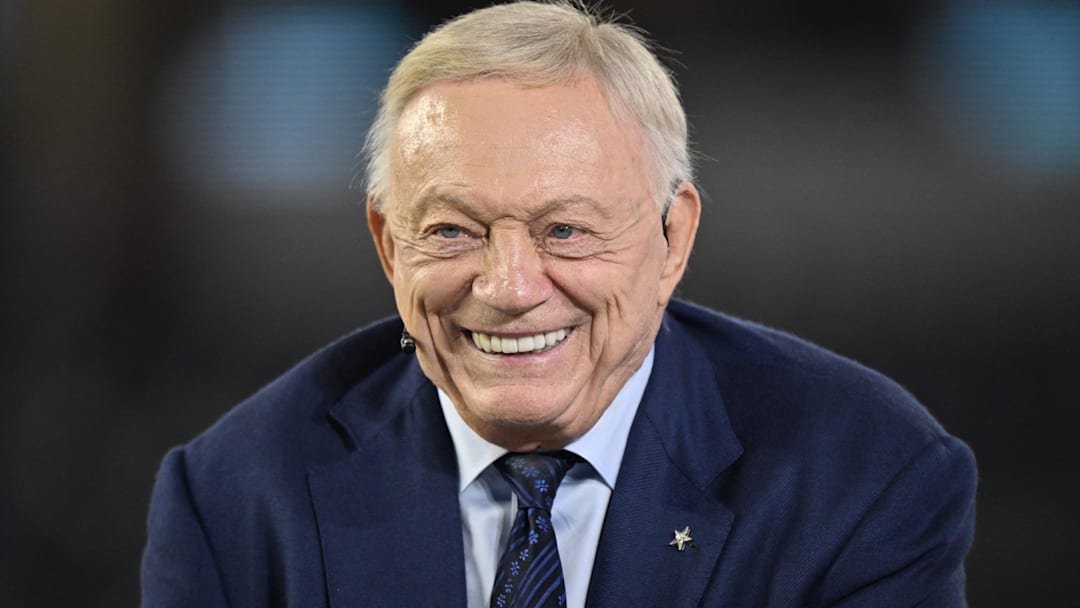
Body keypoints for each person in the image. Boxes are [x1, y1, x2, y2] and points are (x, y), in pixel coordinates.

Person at [141, 2, 977, 606]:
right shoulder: (236, 500)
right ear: (389, 246)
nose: (509, 288)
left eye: (567, 231)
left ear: (672, 240)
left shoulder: (862, 475)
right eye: (454, 231)